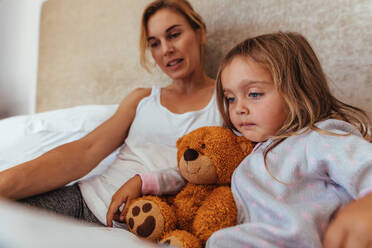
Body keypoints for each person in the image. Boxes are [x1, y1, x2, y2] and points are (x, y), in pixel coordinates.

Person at [115, 32, 372, 248]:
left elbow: (365, 166)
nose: (238, 108)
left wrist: (361, 213)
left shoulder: (320, 137)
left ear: (297, 89)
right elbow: (194, 173)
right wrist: (144, 182)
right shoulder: (244, 148)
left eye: (254, 93)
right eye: (230, 98)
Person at [0, 0, 222, 227]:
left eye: (174, 35)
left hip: (144, 225)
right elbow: (86, 150)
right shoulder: (143, 99)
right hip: (83, 200)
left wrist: (142, 184)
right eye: (154, 43)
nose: (166, 50)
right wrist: (5, 182)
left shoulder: (226, 102)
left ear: (200, 33)